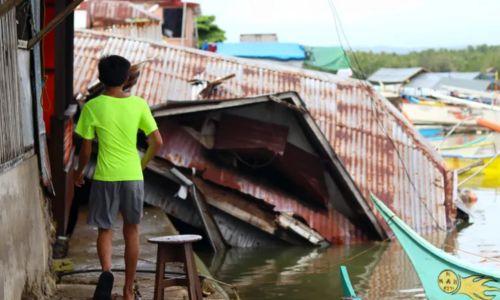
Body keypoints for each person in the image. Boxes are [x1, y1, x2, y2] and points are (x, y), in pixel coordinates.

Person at [73, 55, 163, 300]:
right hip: (133, 176)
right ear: (127, 78)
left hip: (105, 177)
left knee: (105, 229)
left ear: (101, 78)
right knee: (132, 231)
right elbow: (157, 141)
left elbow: (86, 149)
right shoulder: (139, 104)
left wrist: (79, 173)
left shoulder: (92, 107)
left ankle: (106, 275)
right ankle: (128, 290)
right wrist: (142, 165)